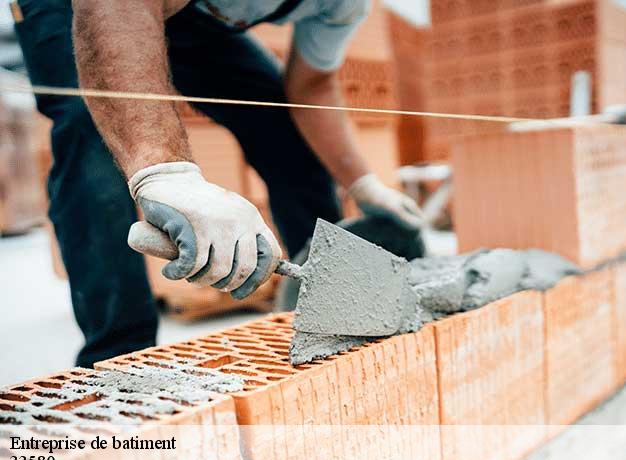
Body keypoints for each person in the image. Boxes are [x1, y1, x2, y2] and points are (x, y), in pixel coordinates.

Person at [12, 0, 423, 367]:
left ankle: (331, 308)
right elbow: (118, 7)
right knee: (91, 139)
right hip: (81, 7)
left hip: (190, 14)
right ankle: (119, 358)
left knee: (281, 125)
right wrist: (165, 172)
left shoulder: (343, 5)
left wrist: (362, 183)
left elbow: (311, 86)